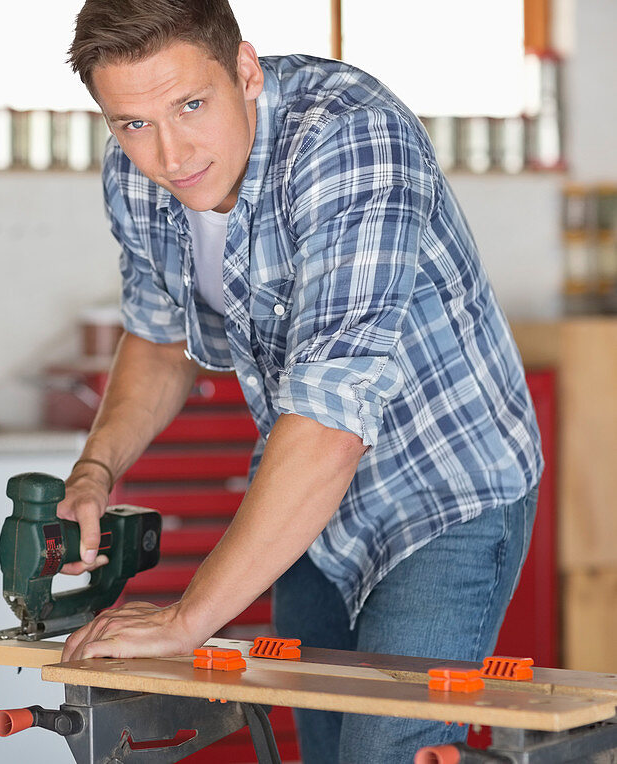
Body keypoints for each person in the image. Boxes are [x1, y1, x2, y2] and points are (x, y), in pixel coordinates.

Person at [54, 1, 543, 762]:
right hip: (311, 509)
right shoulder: (136, 173)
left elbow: (328, 422)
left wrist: (188, 619)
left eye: (191, 105)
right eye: (133, 123)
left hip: (445, 487)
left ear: (244, 70)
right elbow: (160, 337)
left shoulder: (354, 139)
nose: (171, 153)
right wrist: (96, 468)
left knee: (387, 752)